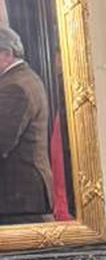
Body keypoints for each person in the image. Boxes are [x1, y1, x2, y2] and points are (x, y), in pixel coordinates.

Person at [0, 24, 52, 222]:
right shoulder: (23, 78)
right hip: (23, 195)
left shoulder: (15, 86)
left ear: (6, 53)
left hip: (18, 196)